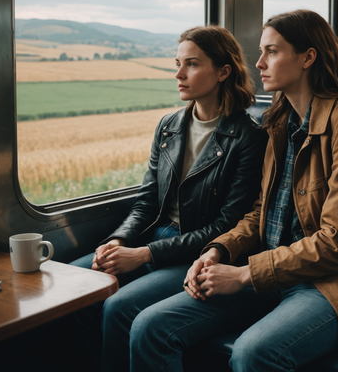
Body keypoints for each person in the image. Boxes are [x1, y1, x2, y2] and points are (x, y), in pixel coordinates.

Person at [127, 9, 338, 372]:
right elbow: (261, 212)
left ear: (308, 57)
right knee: (150, 327)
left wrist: (244, 274)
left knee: (253, 352)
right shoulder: (279, 122)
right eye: (261, 52)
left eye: (271, 52)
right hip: (275, 271)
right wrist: (218, 251)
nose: (258, 63)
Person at [70, 25, 267, 370]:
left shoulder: (247, 137)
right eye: (177, 63)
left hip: (197, 251)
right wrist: (118, 240)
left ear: (223, 71)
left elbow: (227, 225)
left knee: (119, 306)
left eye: (191, 64)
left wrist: (143, 254)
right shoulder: (169, 126)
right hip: (152, 238)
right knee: (75, 283)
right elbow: (147, 200)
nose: (178, 74)